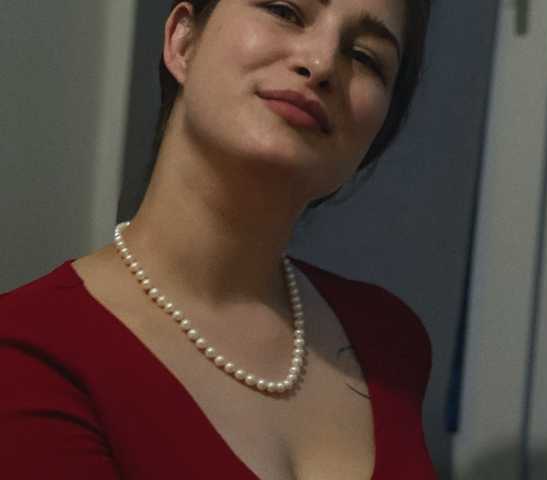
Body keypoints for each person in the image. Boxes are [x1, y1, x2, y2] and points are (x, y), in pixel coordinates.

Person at [0, 0, 436, 478]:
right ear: (183, 40)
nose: (322, 63)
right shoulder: (27, 354)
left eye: (366, 57)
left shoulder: (390, 342)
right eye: (285, 11)